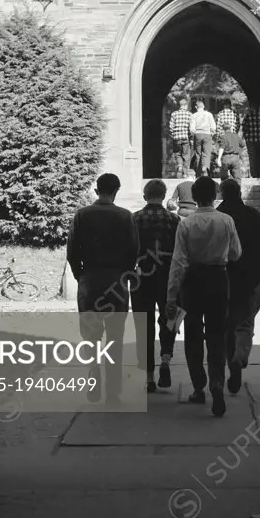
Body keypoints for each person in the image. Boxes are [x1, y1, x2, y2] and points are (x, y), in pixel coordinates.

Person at [166, 176, 242, 417]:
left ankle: (199, 386)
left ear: (195, 197)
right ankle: (217, 381)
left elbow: (178, 261)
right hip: (218, 278)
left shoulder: (186, 223)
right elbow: (236, 253)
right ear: (215, 194)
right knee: (217, 333)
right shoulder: (226, 220)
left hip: (193, 280)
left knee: (193, 334)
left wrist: (171, 295)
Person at [66, 173, 138, 406]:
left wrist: (81, 275)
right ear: (116, 190)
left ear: (96, 191)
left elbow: (72, 251)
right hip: (116, 280)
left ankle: (93, 370)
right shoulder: (125, 216)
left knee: (91, 334)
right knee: (115, 337)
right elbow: (133, 251)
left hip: (90, 278)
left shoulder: (82, 215)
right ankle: (113, 391)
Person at [217, 179, 260, 394]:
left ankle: (231, 362)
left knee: (227, 325)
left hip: (224, 278)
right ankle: (240, 356)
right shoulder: (253, 215)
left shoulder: (218, 217)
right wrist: (259, 276)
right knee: (246, 323)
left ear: (221, 193)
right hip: (249, 278)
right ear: (239, 192)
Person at [130, 180, 180, 393]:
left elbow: (129, 249)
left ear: (144, 196)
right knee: (168, 319)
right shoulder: (174, 219)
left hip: (141, 275)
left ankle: (149, 377)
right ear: (164, 195)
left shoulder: (134, 219)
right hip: (167, 276)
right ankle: (166, 359)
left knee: (144, 324)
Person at [189, 98, 217, 177]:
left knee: (198, 154)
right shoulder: (209, 114)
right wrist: (211, 133)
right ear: (203, 106)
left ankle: (198, 174)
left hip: (197, 134)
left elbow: (192, 129)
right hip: (207, 134)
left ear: (195, 107)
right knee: (206, 154)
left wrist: (194, 135)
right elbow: (213, 127)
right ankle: (205, 170)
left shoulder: (193, 115)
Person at [240, 101, 260, 178]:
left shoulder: (247, 116)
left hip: (250, 140)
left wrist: (245, 136)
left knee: (252, 158)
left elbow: (244, 128)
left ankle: (253, 174)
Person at [169, 96, 192, 178]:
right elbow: (191, 127)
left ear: (180, 105)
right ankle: (185, 173)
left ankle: (179, 165)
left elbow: (171, 127)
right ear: (185, 105)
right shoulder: (189, 114)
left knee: (177, 154)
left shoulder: (174, 114)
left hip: (176, 138)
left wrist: (173, 134)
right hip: (185, 137)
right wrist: (190, 136)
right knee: (186, 155)